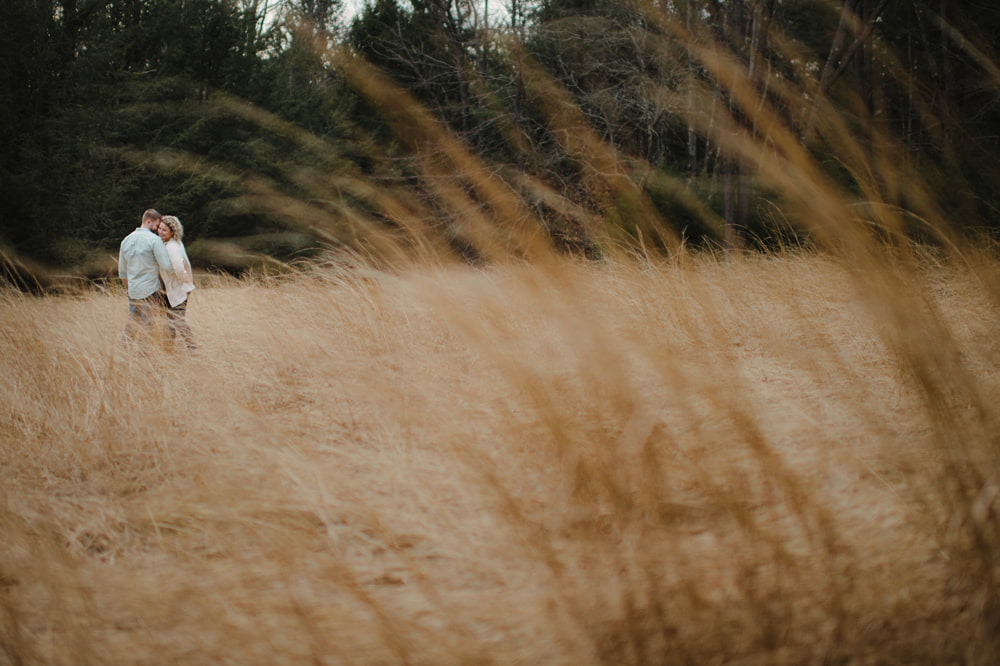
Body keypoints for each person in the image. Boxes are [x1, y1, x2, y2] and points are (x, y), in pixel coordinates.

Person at [118, 209, 173, 347]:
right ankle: (144, 356)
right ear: (149, 221)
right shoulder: (154, 240)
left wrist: (128, 288)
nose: (157, 229)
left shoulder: (126, 240)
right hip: (151, 290)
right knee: (148, 324)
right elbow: (166, 266)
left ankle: (125, 351)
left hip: (133, 290)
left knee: (133, 322)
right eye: (156, 225)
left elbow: (122, 272)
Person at [157, 215, 197, 351]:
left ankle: (192, 347)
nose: (160, 232)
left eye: (164, 230)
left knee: (177, 319)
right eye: (159, 228)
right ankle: (169, 349)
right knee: (171, 320)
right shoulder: (174, 243)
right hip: (177, 289)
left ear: (172, 232)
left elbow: (179, 266)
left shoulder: (172, 247)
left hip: (178, 289)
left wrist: (183, 278)